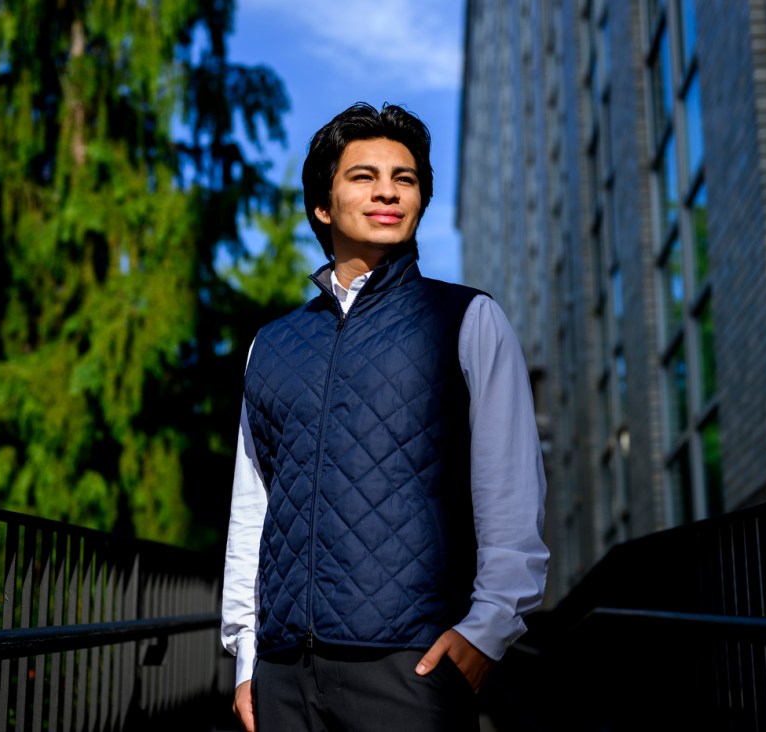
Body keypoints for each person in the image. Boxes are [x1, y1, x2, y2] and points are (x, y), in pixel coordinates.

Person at [220, 101, 549, 732]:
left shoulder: (469, 319)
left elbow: (511, 489)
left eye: (405, 178)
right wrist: (246, 655)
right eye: (363, 176)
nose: (388, 192)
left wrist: (487, 630)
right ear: (323, 205)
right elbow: (252, 508)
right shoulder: (273, 345)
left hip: (412, 671)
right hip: (284, 675)